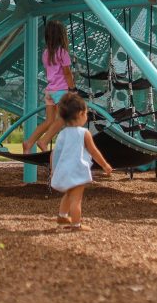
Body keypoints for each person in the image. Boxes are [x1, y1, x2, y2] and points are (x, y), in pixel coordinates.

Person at [50, 93, 112, 230]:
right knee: (76, 199)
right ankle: (76, 225)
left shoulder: (62, 134)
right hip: (77, 170)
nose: (86, 116)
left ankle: (62, 216)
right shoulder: (84, 133)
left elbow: (55, 153)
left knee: (69, 193)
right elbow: (94, 151)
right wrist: (105, 165)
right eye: (86, 113)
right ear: (80, 114)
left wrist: (54, 170)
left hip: (64, 170)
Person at [23, 20, 74, 153]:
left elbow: (49, 72)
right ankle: (44, 141)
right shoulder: (63, 52)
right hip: (61, 90)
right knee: (63, 118)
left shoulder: (46, 53)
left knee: (49, 121)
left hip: (50, 91)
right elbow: (67, 73)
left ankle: (29, 142)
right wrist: (72, 89)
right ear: (61, 36)